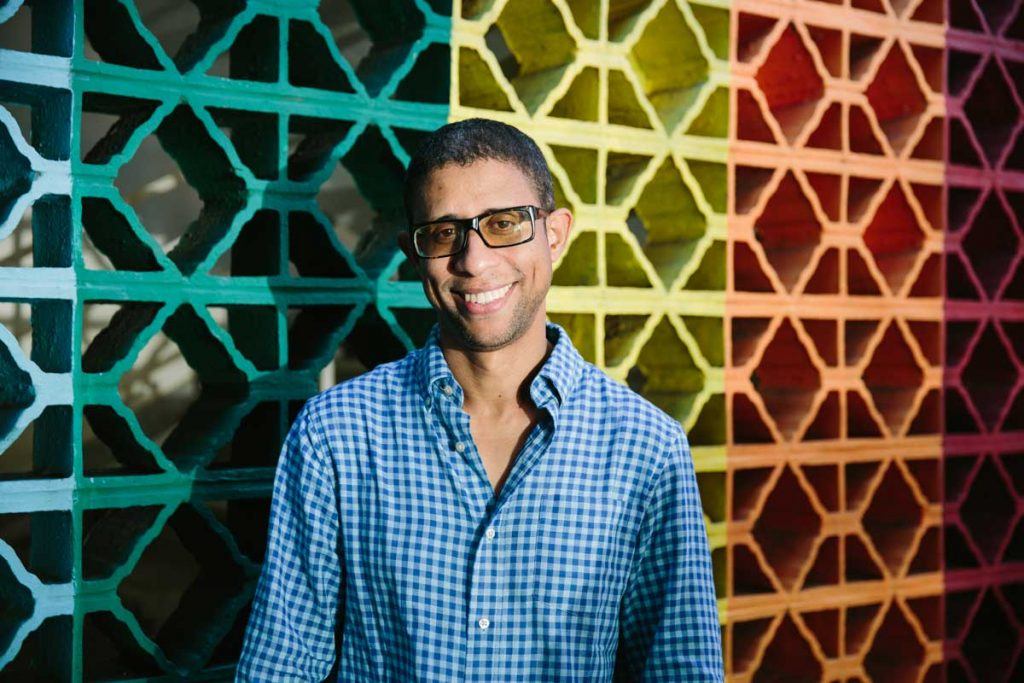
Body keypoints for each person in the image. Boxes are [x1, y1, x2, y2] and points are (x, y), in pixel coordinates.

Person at [236, 118, 723, 681]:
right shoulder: (338, 432)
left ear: (556, 234)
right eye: (444, 233)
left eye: (505, 223)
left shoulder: (647, 447)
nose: (474, 259)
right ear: (415, 254)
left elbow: (678, 669)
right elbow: (283, 664)